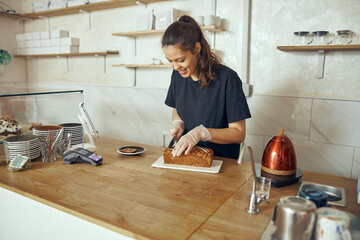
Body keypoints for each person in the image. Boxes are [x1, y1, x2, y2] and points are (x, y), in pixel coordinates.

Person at [162, 15, 251, 160]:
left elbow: (238, 133)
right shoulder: (178, 75)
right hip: (186, 156)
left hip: (220, 161)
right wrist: (179, 123)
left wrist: (202, 133)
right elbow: (177, 108)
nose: (176, 66)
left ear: (197, 48)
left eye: (181, 60)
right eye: (170, 61)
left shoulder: (228, 79)